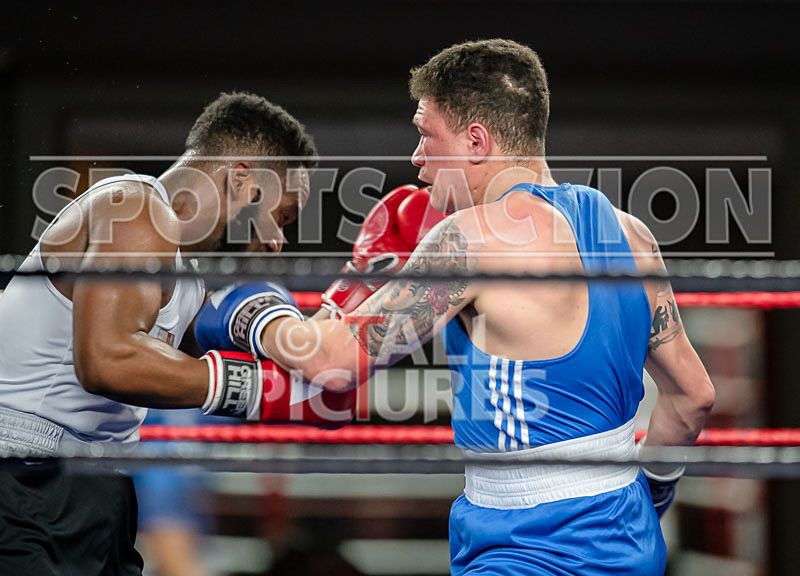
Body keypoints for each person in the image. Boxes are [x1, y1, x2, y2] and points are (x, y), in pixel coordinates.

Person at [202, 40, 716, 575]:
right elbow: (692, 397)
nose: (417, 159)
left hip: (529, 550)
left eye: (427, 136)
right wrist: (646, 501)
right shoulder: (633, 235)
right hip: (628, 540)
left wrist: (244, 305)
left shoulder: (470, 241)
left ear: (476, 141)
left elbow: (331, 364)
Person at [0, 91, 354, 576]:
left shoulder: (186, 276)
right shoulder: (135, 207)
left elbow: (187, 358)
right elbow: (110, 361)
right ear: (241, 178)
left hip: (93, 485)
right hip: (23, 472)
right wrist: (258, 390)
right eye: (281, 215)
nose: (276, 241)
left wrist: (310, 343)